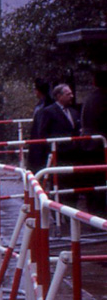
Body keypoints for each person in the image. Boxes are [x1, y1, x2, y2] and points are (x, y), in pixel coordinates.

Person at [29, 83, 81, 178]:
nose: (71, 96)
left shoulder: (74, 112)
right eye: (68, 94)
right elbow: (43, 133)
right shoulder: (48, 112)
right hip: (58, 153)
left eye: (71, 94)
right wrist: (53, 147)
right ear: (59, 96)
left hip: (73, 153)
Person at [81, 71, 107, 212]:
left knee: (93, 179)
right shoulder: (103, 98)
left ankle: (93, 209)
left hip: (88, 143)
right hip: (100, 145)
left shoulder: (90, 98)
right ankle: (99, 210)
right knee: (100, 179)